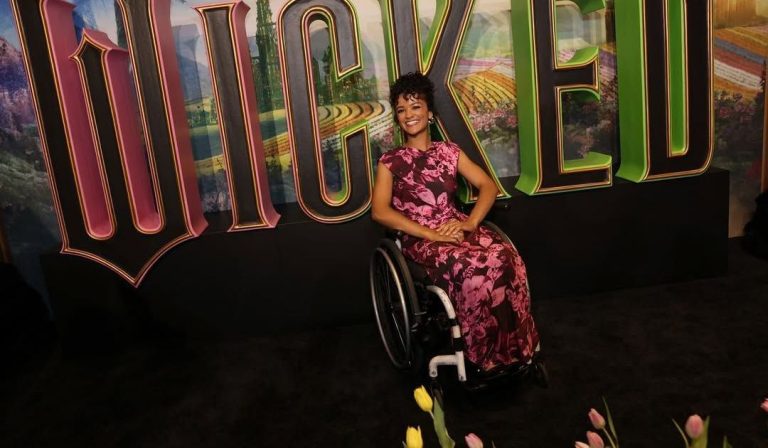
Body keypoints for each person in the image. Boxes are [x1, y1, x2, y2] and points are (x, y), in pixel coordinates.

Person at [371, 72, 540, 373]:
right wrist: (429, 233)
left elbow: (488, 186)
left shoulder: (449, 152)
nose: (409, 115)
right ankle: (482, 356)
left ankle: (515, 349)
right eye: (401, 110)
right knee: (471, 271)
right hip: (420, 237)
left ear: (430, 113)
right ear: (397, 118)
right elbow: (380, 212)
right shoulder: (390, 162)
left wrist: (471, 223)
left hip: (455, 225)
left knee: (505, 257)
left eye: (416, 106)